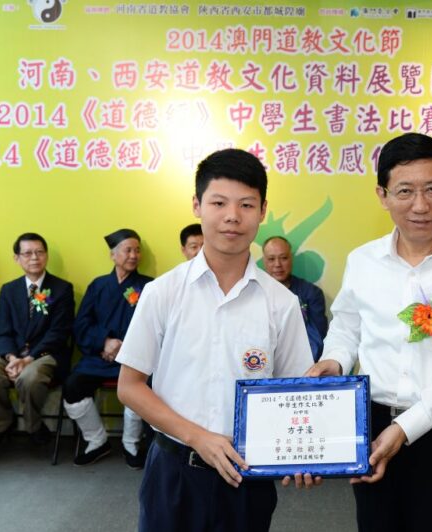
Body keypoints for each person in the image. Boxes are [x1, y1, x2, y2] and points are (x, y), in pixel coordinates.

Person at [307, 133, 432, 531]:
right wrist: (335, 360)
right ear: (382, 195)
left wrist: (406, 427)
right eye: (405, 191)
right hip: (374, 421)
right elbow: (347, 326)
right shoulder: (363, 260)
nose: (420, 205)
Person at [116, 148, 316, 532]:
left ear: (263, 210)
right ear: (197, 205)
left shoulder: (282, 303)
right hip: (173, 471)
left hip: (246, 475)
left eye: (246, 204)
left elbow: (295, 394)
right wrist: (197, 437)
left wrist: (306, 451)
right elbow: (130, 386)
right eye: (219, 203)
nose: (232, 216)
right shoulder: (162, 293)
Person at [62, 229, 154, 468]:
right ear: (113, 255)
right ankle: (97, 440)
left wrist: (124, 347)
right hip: (99, 356)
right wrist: (104, 342)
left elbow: (153, 326)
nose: (133, 255)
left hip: (134, 358)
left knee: (142, 386)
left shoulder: (149, 286)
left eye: (137, 250)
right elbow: (82, 323)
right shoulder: (98, 285)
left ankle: (131, 443)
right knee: (73, 385)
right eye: (128, 250)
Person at [0, 233, 74, 452]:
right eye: (27, 253)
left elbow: (59, 332)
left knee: (30, 377)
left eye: (39, 252)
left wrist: (29, 359)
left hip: (45, 354)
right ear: (17, 258)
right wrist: (12, 358)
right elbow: (3, 331)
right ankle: (1, 423)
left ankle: (33, 425)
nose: (34, 258)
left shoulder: (62, 289)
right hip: (11, 352)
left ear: (46, 255)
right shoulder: (9, 290)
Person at [262, 235, 328, 361]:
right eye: (271, 259)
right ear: (264, 261)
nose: (277, 264)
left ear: (291, 259)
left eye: (284, 258)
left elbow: (318, 337)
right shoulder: (255, 293)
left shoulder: (311, 293)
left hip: (302, 363)